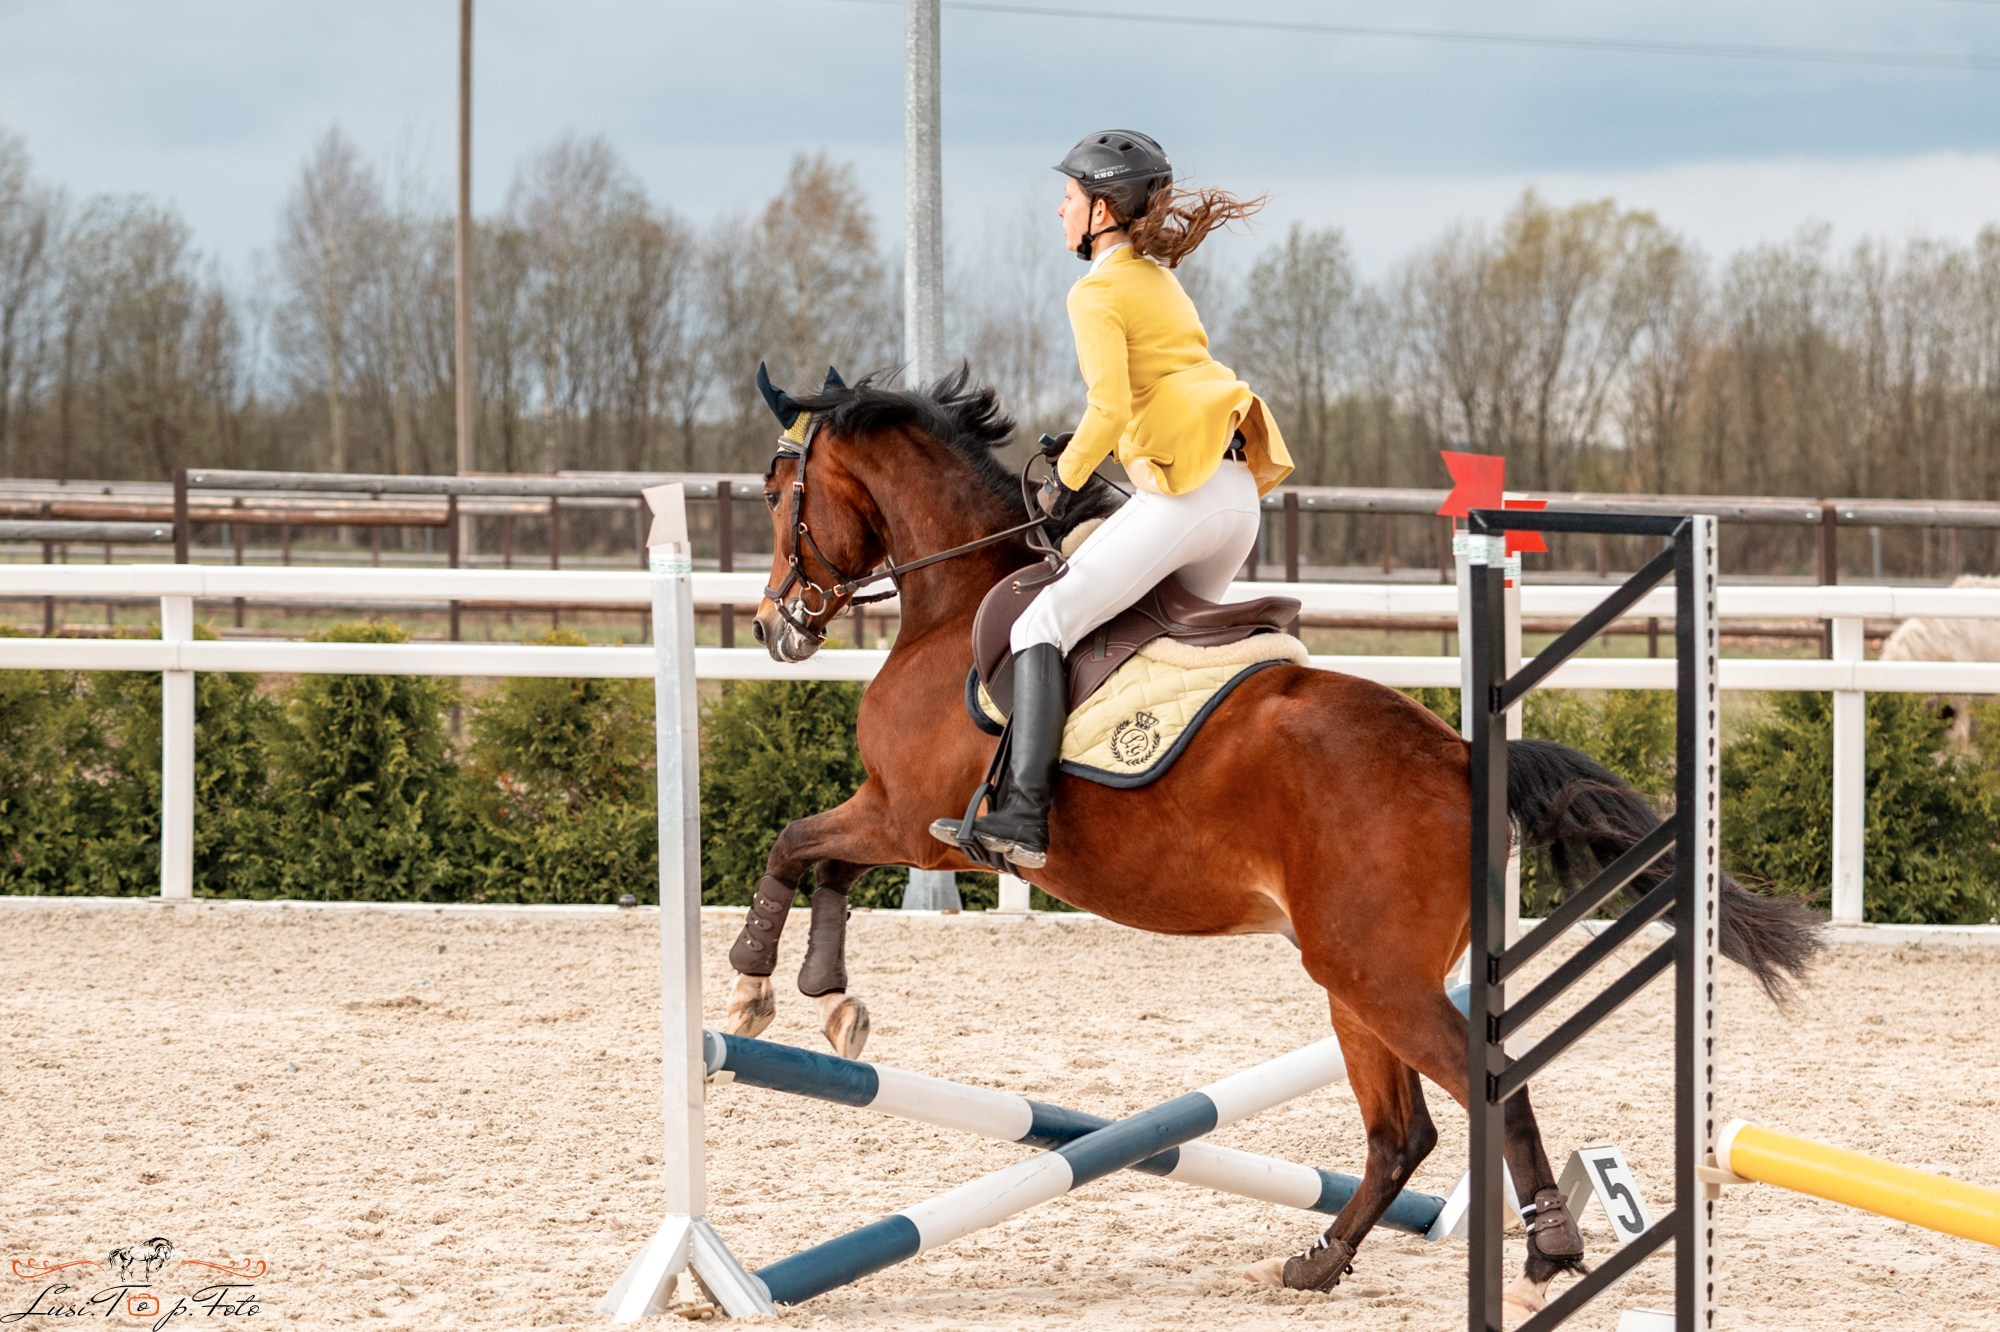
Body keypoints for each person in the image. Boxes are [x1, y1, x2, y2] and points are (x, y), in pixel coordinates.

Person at [935, 129, 1293, 869]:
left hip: (1186, 498)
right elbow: (1147, 392)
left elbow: (1106, 408)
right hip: (1234, 496)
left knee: (1043, 624)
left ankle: (1025, 819)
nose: (1058, 210)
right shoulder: (1159, 278)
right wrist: (1089, 447)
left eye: (1067, 197)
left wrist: (1064, 482)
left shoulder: (1096, 289)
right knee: (1141, 641)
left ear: (1101, 210)